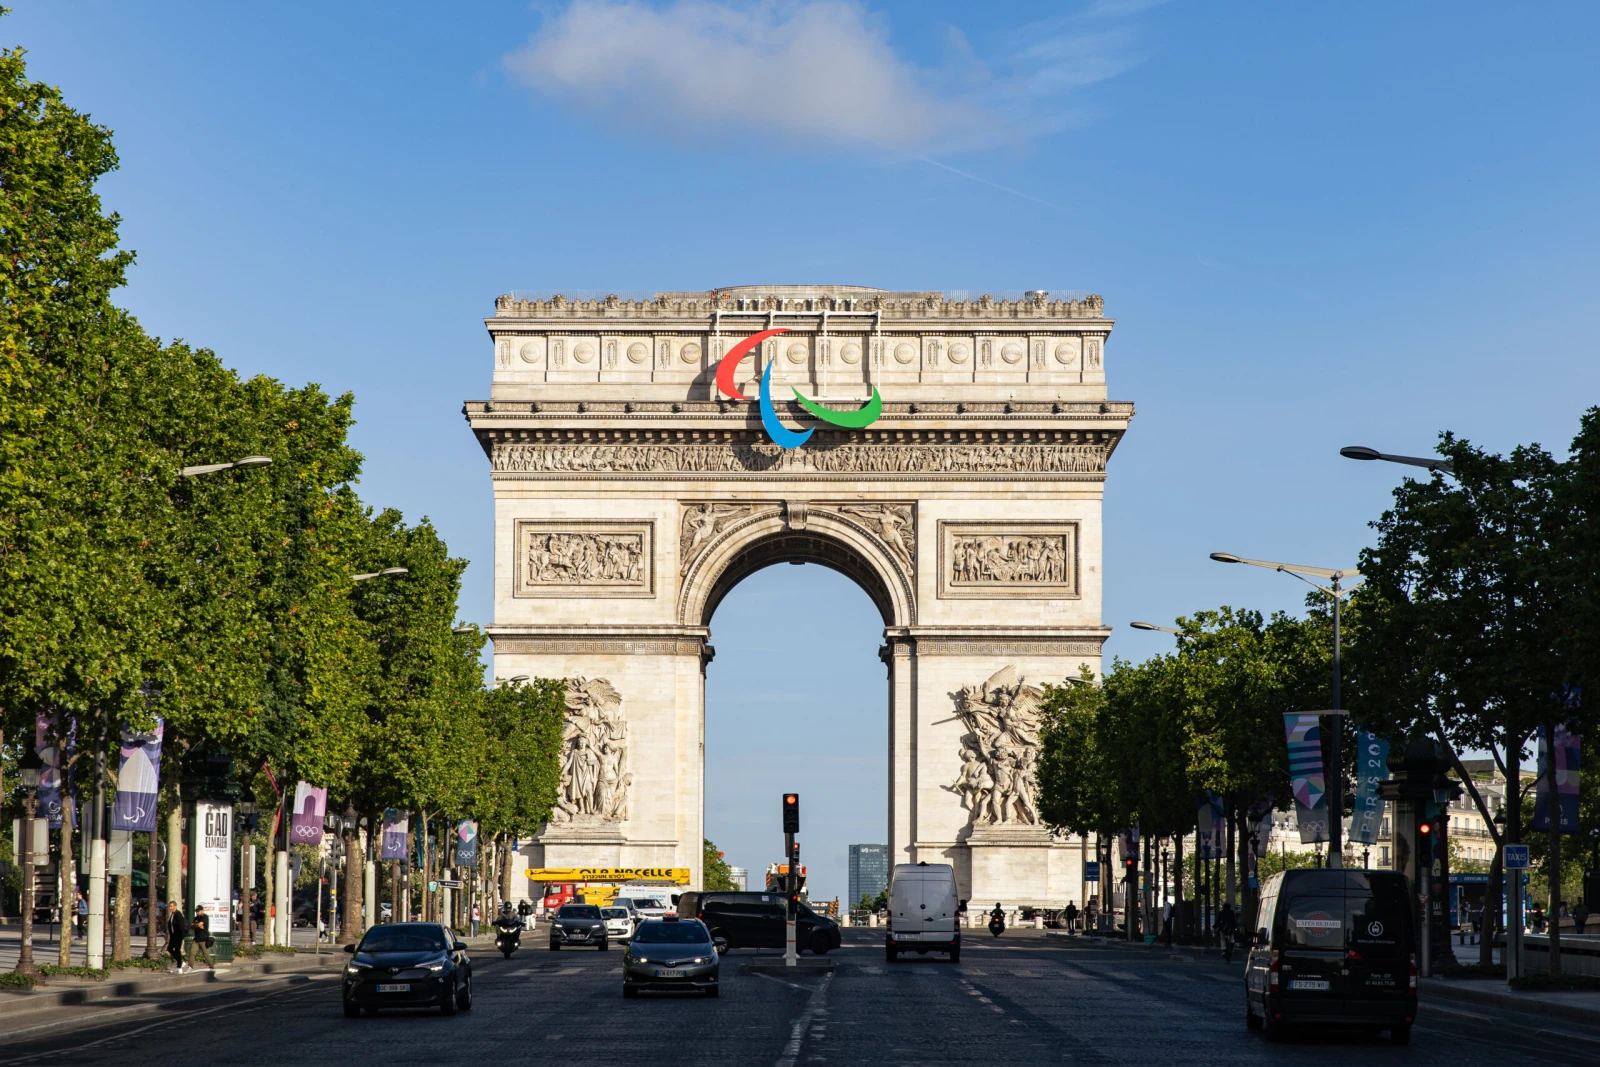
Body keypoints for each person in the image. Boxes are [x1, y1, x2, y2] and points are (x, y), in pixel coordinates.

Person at [189, 904, 216, 971]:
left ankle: (211, 967)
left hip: (203, 939)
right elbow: (191, 925)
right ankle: (190, 967)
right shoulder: (196, 918)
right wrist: (197, 925)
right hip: (196, 939)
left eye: (198, 911)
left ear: (202, 911)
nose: (197, 913)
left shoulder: (205, 917)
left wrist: (197, 925)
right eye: (196, 911)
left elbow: (200, 924)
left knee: (206, 954)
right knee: (192, 953)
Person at [166, 901, 189, 973]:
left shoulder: (178, 914)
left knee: (177, 950)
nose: (170, 908)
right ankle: (180, 962)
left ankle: (179, 966)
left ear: (175, 906)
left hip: (178, 935)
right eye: (169, 906)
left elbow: (181, 926)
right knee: (169, 948)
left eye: (171, 906)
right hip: (173, 936)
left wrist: (182, 936)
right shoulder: (172, 914)